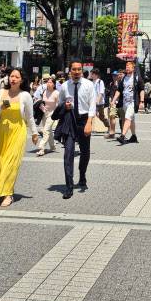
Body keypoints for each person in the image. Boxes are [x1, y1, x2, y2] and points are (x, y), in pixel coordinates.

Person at [0, 67, 38, 207]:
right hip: (2, 133)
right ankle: (1, 189)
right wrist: (1, 108)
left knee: (11, 163)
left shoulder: (25, 96)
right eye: (12, 76)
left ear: (21, 80)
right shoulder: (1, 92)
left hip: (18, 132)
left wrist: (34, 133)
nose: (13, 79)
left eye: (17, 77)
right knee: (0, 162)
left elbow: (30, 117)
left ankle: (8, 194)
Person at [52, 60, 96, 199]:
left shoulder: (89, 85)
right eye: (74, 69)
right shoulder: (65, 86)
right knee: (68, 153)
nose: (76, 72)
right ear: (69, 71)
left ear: (82, 70)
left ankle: (82, 175)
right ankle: (69, 186)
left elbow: (92, 105)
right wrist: (65, 106)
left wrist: (89, 122)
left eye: (79, 69)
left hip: (84, 120)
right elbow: (60, 103)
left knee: (85, 152)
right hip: (70, 121)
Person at [113, 61, 144, 145]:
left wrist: (141, 101)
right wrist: (113, 100)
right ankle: (134, 136)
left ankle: (122, 136)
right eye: (126, 66)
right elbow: (119, 90)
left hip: (133, 102)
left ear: (133, 69)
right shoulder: (124, 78)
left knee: (127, 118)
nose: (127, 68)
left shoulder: (137, 78)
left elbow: (141, 89)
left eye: (129, 67)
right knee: (131, 119)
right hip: (125, 103)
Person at [37, 76, 60, 156]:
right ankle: (52, 147)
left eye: (50, 82)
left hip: (52, 114)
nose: (48, 83)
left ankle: (41, 148)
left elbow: (58, 105)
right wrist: (41, 106)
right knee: (48, 130)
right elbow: (41, 101)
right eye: (48, 82)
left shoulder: (56, 93)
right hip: (44, 113)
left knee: (46, 130)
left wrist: (58, 115)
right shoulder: (44, 91)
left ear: (54, 84)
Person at [105, 70, 122, 139]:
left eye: (115, 75)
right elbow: (109, 93)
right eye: (113, 75)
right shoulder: (111, 84)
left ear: (118, 76)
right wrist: (110, 100)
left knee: (122, 119)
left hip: (120, 103)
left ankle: (122, 133)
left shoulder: (120, 83)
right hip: (112, 103)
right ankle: (112, 132)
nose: (114, 77)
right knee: (112, 117)